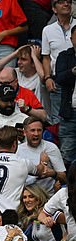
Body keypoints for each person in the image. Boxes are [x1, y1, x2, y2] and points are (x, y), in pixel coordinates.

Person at [0, 125, 47, 221]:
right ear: (14, 144)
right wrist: (43, 162)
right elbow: (40, 171)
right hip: (12, 218)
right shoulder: (23, 163)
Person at [42, 0, 75, 124]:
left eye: (68, 1)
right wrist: (47, 78)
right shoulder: (47, 30)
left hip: (75, 79)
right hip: (58, 80)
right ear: (54, 9)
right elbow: (46, 57)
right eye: (61, 2)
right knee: (58, 120)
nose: (66, 4)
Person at [19, 117, 67, 195]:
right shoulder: (18, 150)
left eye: (39, 130)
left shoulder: (51, 148)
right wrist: (42, 165)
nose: (36, 134)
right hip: (26, 197)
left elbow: (64, 178)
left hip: (48, 196)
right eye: (32, 130)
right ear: (25, 132)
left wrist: (54, 174)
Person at [55, 26, 76, 169]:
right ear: (71, 39)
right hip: (70, 114)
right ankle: (66, 189)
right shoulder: (64, 56)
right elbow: (59, 78)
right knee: (66, 157)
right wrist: (73, 71)